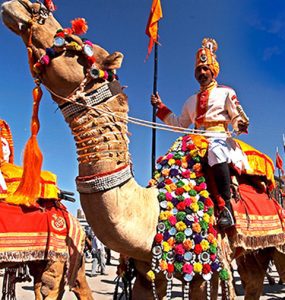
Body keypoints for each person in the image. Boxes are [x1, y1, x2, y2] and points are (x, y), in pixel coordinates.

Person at [151, 38, 250, 229]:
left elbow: (237, 115)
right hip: (195, 141)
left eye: (206, 69)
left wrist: (240, 123)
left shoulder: (226, 93)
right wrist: (161, 107)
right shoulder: (190, 101)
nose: (202, 73)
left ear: (213, 71)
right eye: (199, 70)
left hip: (220, 138)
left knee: (215, 151)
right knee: (172, 159)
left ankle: (226, 207)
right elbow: (179, 125)